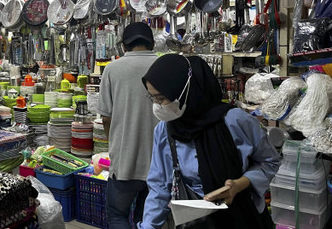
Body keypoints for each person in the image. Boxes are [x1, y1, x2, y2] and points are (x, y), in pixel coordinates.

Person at [139, 54, 280, 229]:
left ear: (184, 91)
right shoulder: (165, 131)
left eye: (161, 98)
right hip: (196, 223)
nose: (157, 105)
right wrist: (148, 226)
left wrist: (239, 184)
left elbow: (270, 162)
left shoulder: (234, 121)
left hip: (242, 218)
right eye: (152, 98)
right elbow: (159, 186)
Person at [97, 22, 159, 228]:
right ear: (152, 43)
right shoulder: (164, 65)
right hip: (160, 164)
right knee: (146, 219)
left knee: (117, 216)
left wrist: (114, 142)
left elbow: (106, 118)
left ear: (124, 45)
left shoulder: (112, 69)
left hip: (124, 161)